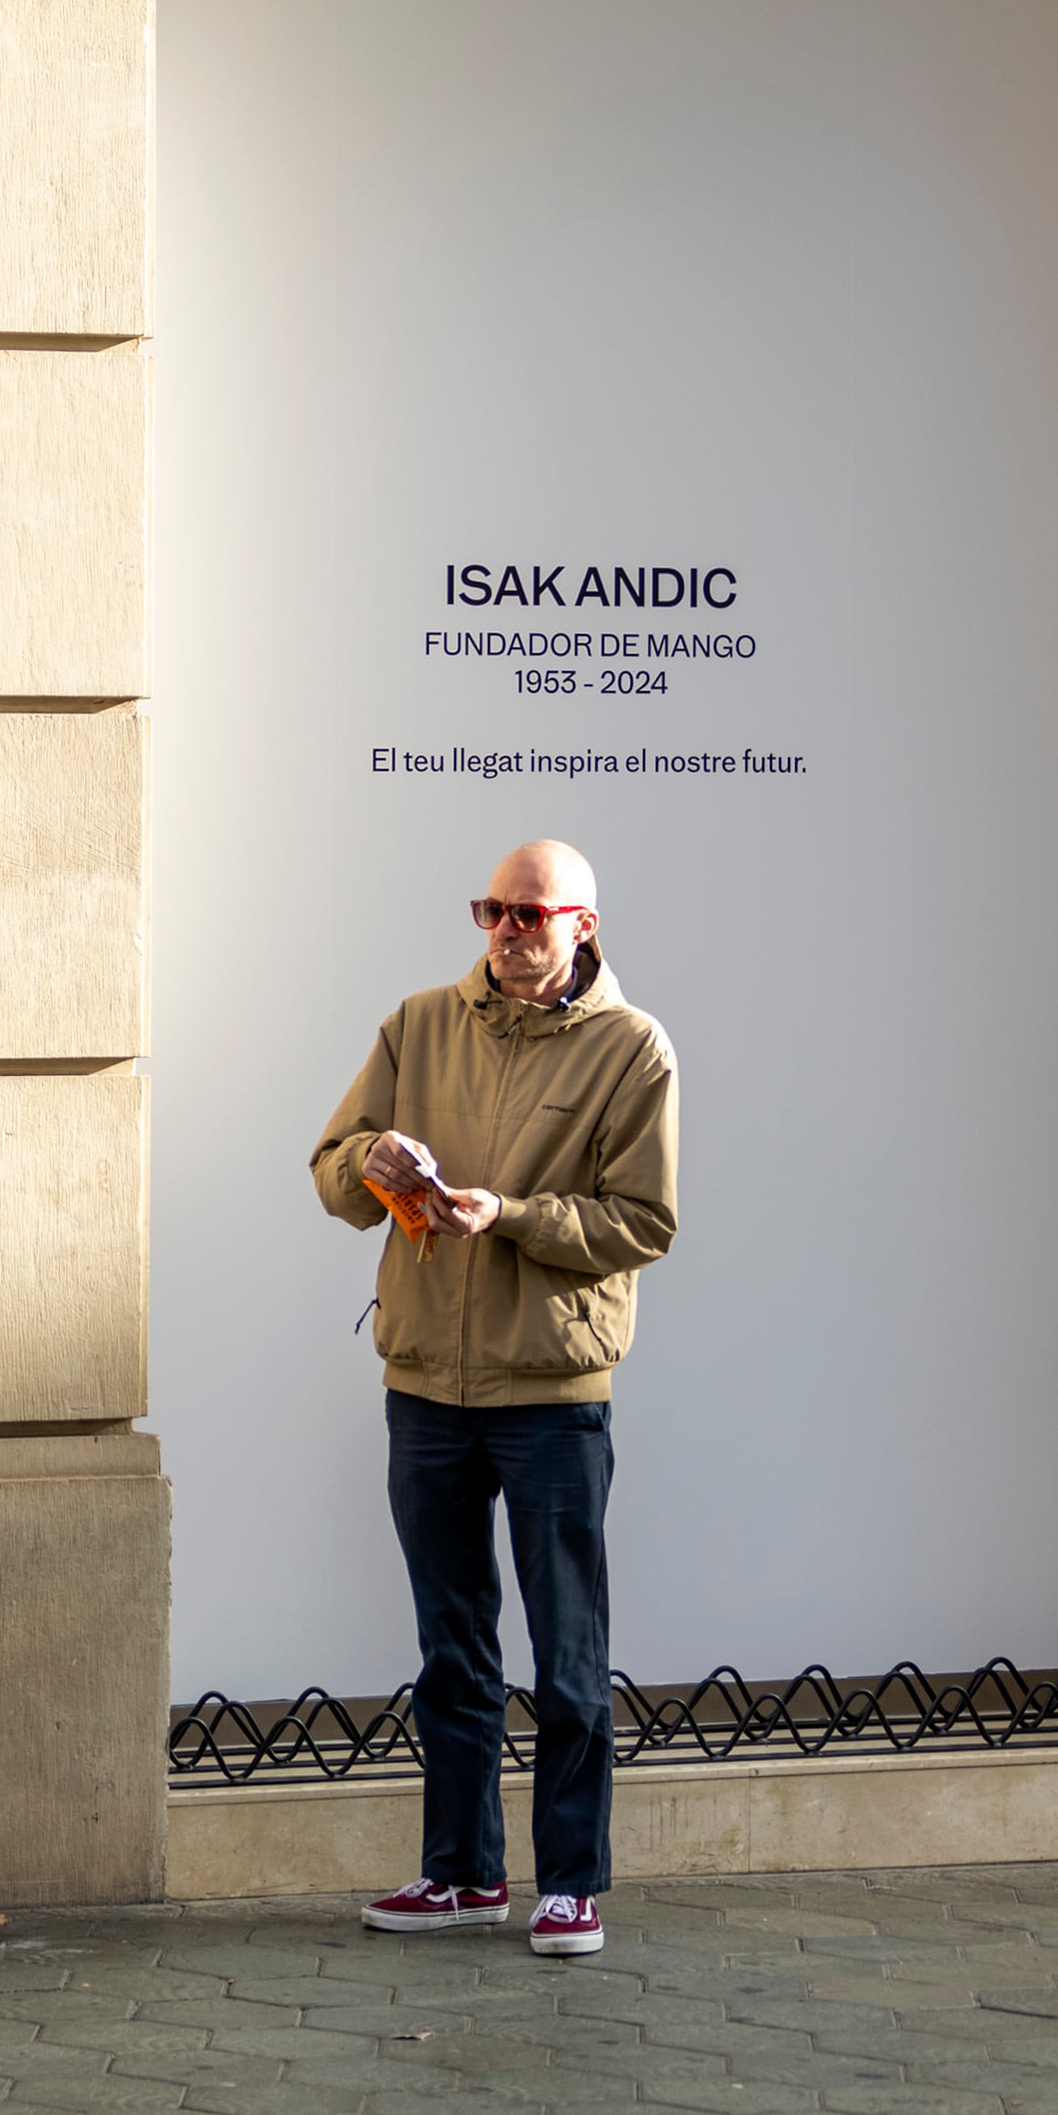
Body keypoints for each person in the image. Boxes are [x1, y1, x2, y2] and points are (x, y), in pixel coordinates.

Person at [308, 838, 678, 1958]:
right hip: (424, 1385)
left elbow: (642, 1223)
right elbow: (331, 1169)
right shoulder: (417, 1025)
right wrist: (373, 1164)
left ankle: (570, 1885)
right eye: (493, 912)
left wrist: (508, 1216)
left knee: (568, 1650)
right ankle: (461, 1874)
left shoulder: (631, 1049)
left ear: (583, 924)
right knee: (452, 1647)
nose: (508, 933)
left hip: (553, 1395)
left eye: (531, 915)